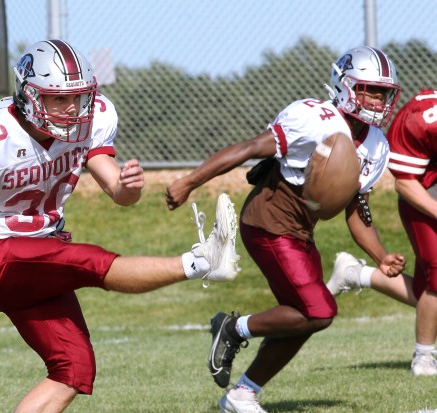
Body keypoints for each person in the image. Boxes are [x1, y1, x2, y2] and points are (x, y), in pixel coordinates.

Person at [0, 39, 240, 413]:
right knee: (87, 262)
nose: (72, 109)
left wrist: (129, 187)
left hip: (40, 252)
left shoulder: (93, 120)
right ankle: (203, 262)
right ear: (30, 95)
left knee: (74, 369)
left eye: (78, 97)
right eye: (58, 99)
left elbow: (117, 192)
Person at [165, 46, 406, 413]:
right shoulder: (314, 117)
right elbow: (249, 147)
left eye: (382, 92)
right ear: (344, 86)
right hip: (268, 222)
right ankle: (233, 328)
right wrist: (188, 182)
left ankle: (243, 394)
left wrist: (381, 255)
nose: (376, 99)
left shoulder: (377, 145)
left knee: (303, 317)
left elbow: (357, 210)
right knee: (319, 311)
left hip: (300, 231)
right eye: (367, 89)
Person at [327, 88, 437, 377]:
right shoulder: (421, 117)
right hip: (425, 194)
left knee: (430, 288)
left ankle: (357, 274)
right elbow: (406, 183)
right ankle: (424, 356)